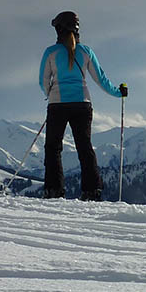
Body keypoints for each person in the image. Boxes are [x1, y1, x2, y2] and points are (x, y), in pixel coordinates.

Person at [39, 11, 128, 200]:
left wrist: (50, 94)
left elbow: (43, 80)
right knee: (84, 147)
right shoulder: (86, 52)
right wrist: (118, 92)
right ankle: (92, 191)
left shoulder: (51, 52)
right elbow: (101, 80)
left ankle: (54, 191)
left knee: (53, 148)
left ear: (59, 29)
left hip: (58, 105)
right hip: (82, 105)